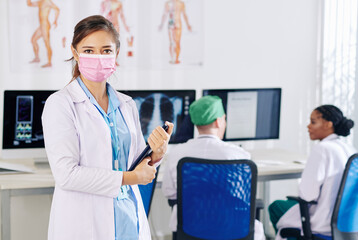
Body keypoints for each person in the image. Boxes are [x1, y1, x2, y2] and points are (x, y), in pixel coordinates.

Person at [42, 15, 174, 240]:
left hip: (128, 219)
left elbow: (135, 163)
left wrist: (156, 154)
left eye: (105, 50)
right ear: (75, 53)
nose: (98, 57)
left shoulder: (126, 104)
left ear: (116, 53)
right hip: (85, 225)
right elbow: (67, 175)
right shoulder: (61, 104)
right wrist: (130, 178)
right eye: (89, 50)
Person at [161, 95, 265, 240]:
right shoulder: (240, 155)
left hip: (190, 229)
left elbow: (170, 194)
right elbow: (244, 199)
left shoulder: (176, 153)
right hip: (231, 228)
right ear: (218, 121)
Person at [269, 105, 356, 239]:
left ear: (328, 124)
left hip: (323, 223)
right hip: (347, 225)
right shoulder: (351, 150)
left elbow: (307, 195)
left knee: (276, 206)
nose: (308, 126)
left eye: (313, 122)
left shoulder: (322, 149)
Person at [27, 0, 60, 68]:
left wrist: (55, 20)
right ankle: (37, 58)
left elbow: (57, 9)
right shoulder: (40, 2)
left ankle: (49, 62)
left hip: (45, 25)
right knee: (33, 40)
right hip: (41, 26)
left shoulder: (47, 1)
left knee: (47, 43)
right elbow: (29, 4)